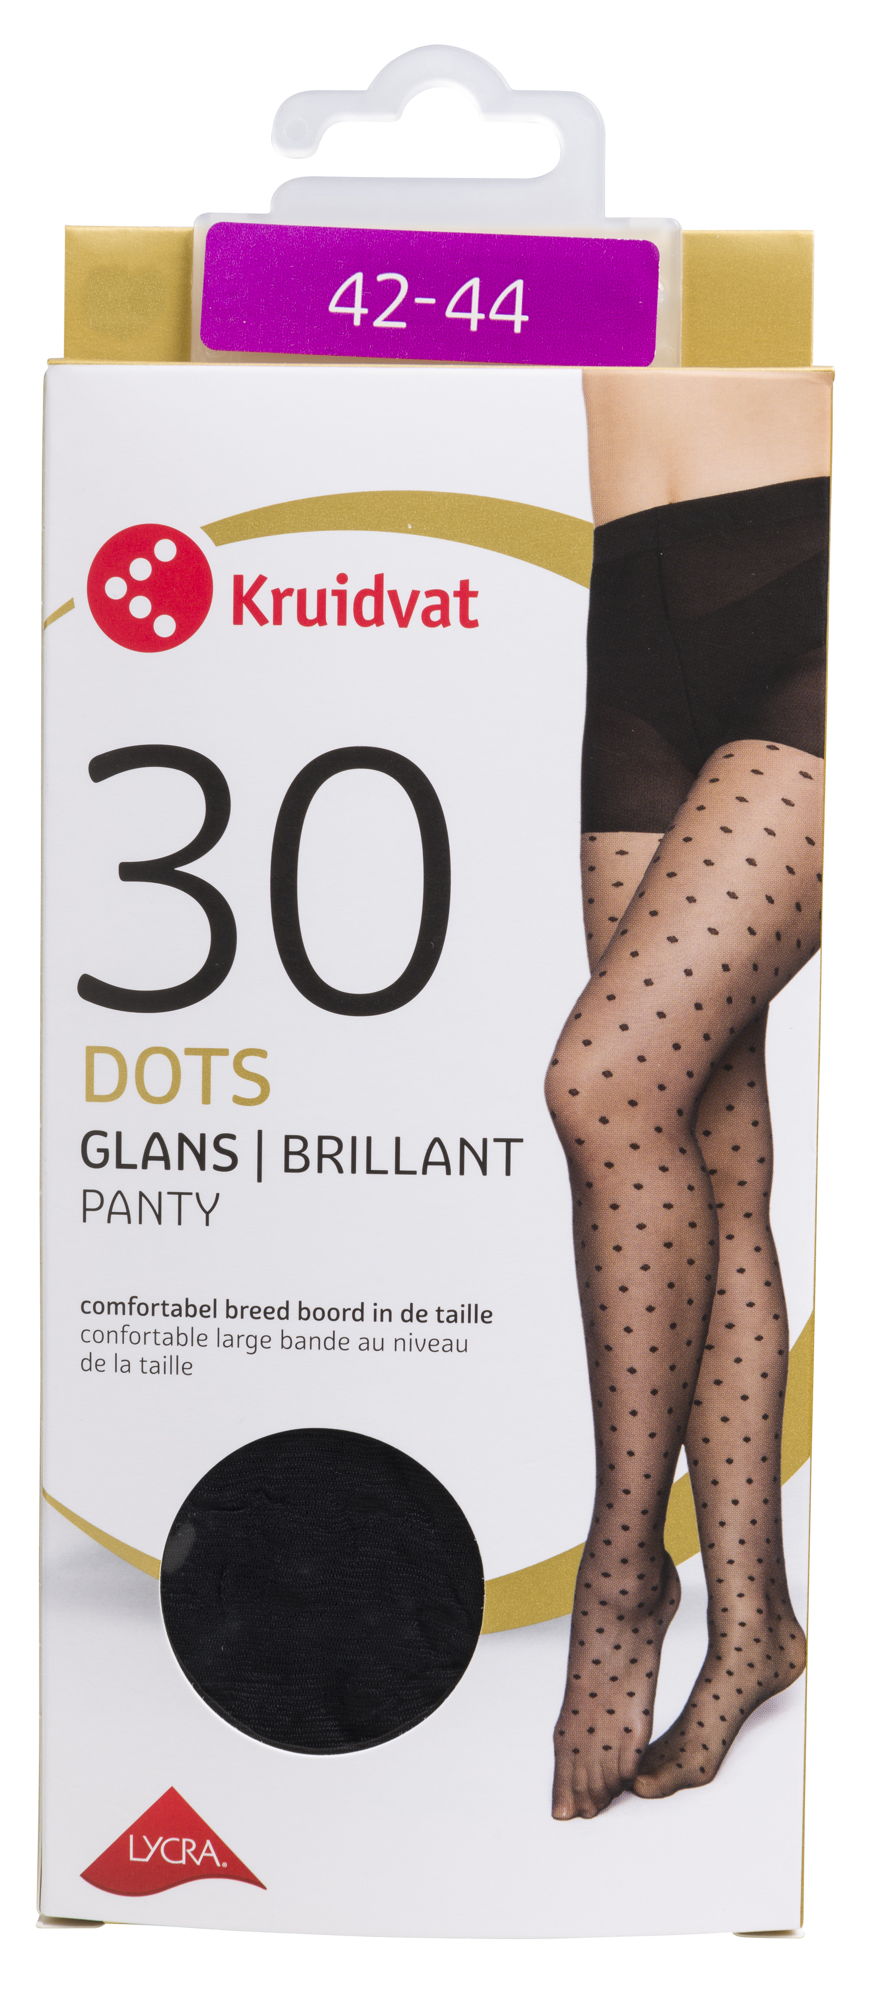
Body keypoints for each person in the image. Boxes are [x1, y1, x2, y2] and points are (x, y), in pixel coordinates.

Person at [546, 367, 831, 1820]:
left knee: (602, 1084)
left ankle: (621, 1576)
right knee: (706, 1152)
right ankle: (754, 1622)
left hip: (826, 580)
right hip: (636, 593)